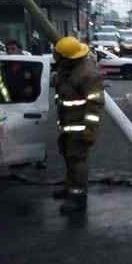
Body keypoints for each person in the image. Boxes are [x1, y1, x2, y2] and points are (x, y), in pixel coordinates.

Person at [53, 36, 104, 214]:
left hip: (80, 126)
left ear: (67, 58)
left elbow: (95, 105)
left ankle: (78, 197)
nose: (55, 57)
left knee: (77, 161)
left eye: (58, 55)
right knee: (68, 156)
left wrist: (89, 130)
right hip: (67, 124)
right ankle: (69, 188)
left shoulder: (87, 74)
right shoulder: (66, 70)